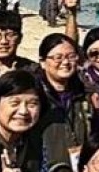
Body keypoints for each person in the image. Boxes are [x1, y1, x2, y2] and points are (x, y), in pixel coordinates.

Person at [35, 32, 94, 161]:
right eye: (58, 58)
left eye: (71, 56)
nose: (66, 62)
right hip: (46, 166)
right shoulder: (35, 96)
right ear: (43, 62)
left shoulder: (83, 93)